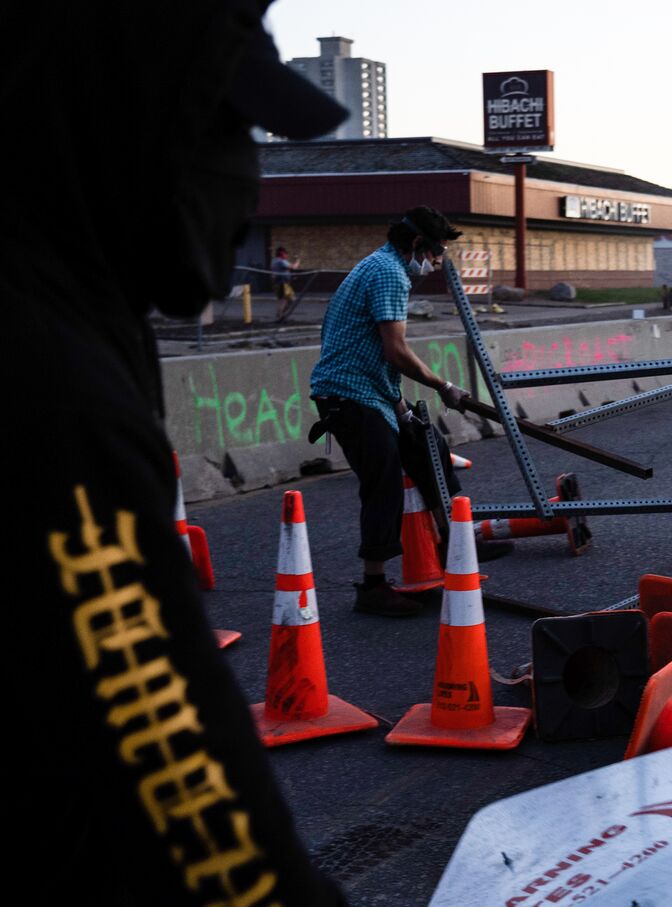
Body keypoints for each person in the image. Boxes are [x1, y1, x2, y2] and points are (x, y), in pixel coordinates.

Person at [12, 2, 349, 903]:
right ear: (124, 124)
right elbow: (170, 754)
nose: (249, 184)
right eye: (229, 130)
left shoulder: (73, 307)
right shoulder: (44, 385)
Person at [308, 205, 498, 617]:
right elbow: (395, 350)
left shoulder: (378, 266)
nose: (436, 262)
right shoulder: (390, 273)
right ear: (416, 244)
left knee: (426, 446)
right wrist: (442, 386)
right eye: (435, 253)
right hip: (347, 395)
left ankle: (455, 542)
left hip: (371, 391)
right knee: (384, 482)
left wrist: (397, 404)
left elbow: (373, 350)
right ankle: (373, 586)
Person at [272, 245, 301, 319]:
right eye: (285, 253)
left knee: (283, 299)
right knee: (286, 299)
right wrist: (298, 260)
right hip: (283, 283)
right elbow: (294, 267)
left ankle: (280, 315)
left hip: (280, 283)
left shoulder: (275, 260)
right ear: (282, 253)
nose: (287, 255)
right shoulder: (281, 261)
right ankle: (280, 315)